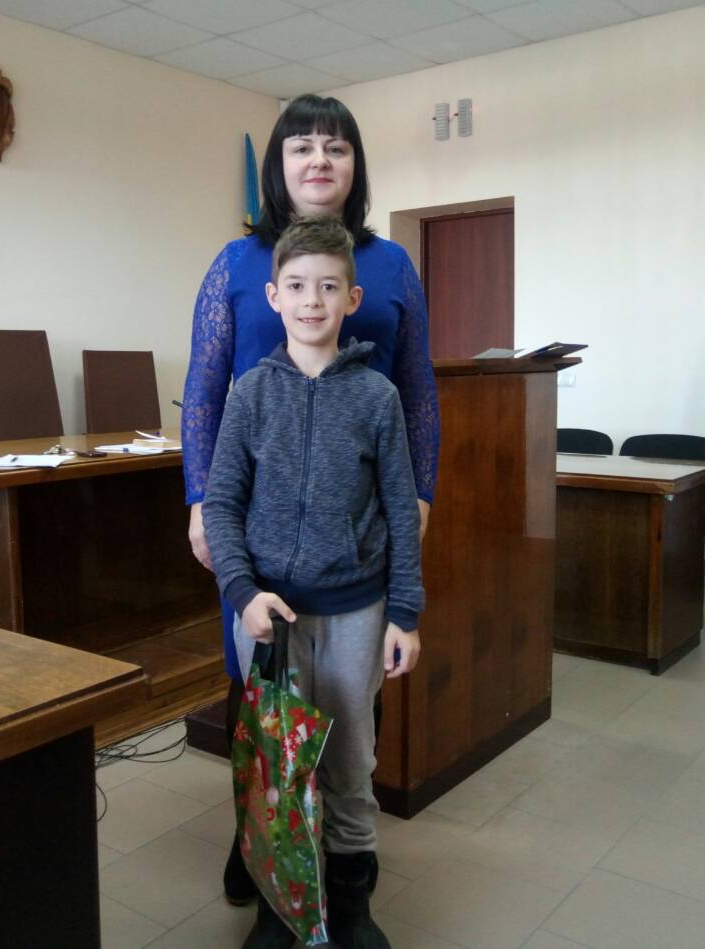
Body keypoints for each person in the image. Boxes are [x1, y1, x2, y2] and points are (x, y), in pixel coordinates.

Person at [181, 93, 439, 905]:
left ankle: (342, 852)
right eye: (302, 147)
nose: (319, 160)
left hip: (353, 528)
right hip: (258, 530)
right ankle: (257, 836)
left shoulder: (391, 265)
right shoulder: (235, 263)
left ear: (356, 164)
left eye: (336, 146)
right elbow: (204, 388)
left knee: (349, 704)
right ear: (278, 165)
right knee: (257, 684)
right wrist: (200, 497)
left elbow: (417, 389)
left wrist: (420, 491)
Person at [203, 217, 423, 949]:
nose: (312, 300)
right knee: (276, 764)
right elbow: (222, 504)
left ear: (352, 298)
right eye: (296, 286)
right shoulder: (250, 394)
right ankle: (277, 906)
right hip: (268, 614)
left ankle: (352, 903)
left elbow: (400, 511)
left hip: (356, 610)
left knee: (350, 759)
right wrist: (243, 593)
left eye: (329, 287)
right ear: (274, 296)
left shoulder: (377, 398)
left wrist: (405, 612)